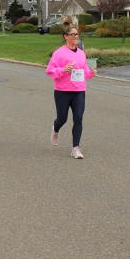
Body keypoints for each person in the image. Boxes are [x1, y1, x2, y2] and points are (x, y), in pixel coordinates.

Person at [46, 25, 95, 159]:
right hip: (62, 91)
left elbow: (84, 70)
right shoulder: (59, 53)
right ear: (66, 36)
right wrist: (63, 70)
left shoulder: (81, 53)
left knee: (78, 118)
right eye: (72, 34)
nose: (75, 37)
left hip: (79, 90)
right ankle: (56, 129)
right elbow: (50, 71)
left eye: (76, 34)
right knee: (62, 118)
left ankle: (75, 148)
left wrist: (91, 73)